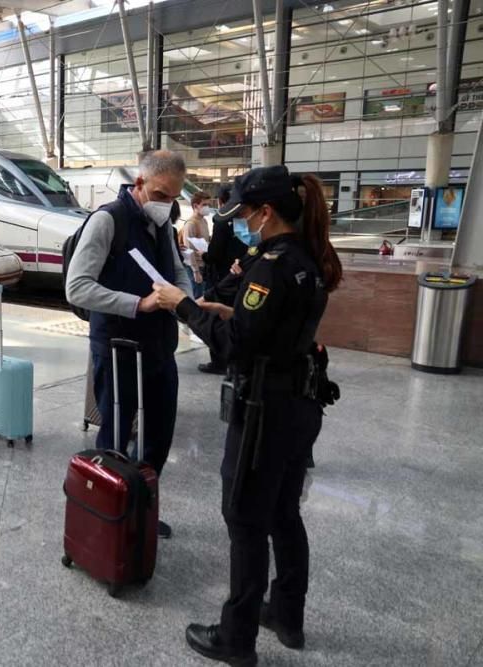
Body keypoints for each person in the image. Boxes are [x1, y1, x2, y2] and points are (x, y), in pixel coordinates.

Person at [152, 166, 342, 666]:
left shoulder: (271, 266)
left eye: (245, 214)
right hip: (300, 401)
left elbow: (236, 349)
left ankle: (236, 638)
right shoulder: (306, 258)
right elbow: (276, 327)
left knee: (244, 518)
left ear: (268, 212)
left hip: (266, 411)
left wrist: (185, 308)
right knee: (283, 513)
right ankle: (286, 615)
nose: (242, 223)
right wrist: (234, 314)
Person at [65, 149, 193, 540]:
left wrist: (187, 304)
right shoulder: (108, 220)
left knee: (158, 433)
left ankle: (141, 505)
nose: (166, 204)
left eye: (173, 197)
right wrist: (137, 304)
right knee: (116, 437)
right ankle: (108, 515)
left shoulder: (164, 225)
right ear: (139, 184)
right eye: (159, 194)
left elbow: (177, 273)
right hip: (118, 346)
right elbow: (77, 286)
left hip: (158, 346)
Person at [198, 185, 250, 375]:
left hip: (223, 277)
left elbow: (215, 253)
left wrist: (204, 255)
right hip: (239, 273)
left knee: (217, 315)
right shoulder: (245, 220)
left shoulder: (222, 221)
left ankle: (220, 361)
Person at [179, 192, 212, 300]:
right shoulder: (191, 224)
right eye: (204, 205)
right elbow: (188, 251)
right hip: (195, 267)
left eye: (208, 205)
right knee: (197, 298)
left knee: (203, 297)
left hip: (204, 265)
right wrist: (196, 271)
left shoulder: (204, 221)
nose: (207, 208)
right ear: (195, 206)